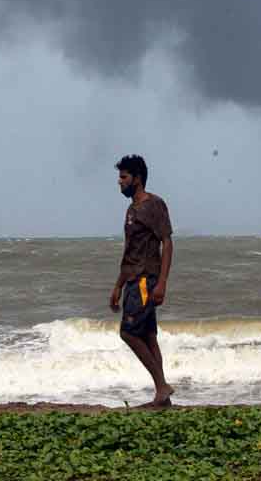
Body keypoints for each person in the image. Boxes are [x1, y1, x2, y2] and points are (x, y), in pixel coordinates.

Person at [110, 154, 174, 408]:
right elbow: (130, 251)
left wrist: (162, 283)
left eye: (123, 177)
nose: (119, 182)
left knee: (128, 332)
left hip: (146, 281)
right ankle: (163, 398)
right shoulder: (131, 210)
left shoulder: (154, 205)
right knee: (148, 335)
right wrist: (118, 285)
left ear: (137, 179)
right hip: (132, 280)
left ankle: (161, 386)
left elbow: (167, 243)